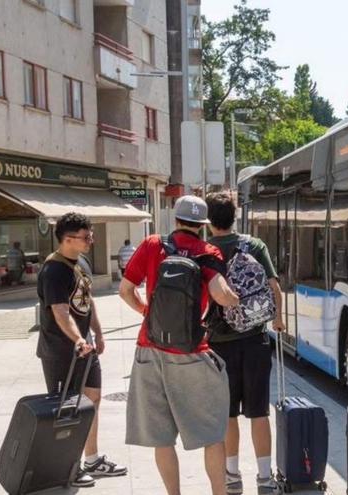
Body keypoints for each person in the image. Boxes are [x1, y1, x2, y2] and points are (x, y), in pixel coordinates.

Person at [118, 195, 240, 495]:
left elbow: (125, 290)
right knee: (212, 433)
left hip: (149, 347)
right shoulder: (207, 252)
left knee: (161, 438)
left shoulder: (152, 244)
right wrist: (235, 298)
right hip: (190, 352)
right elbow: (221, 295)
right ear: (203, 224)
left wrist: (147, 313)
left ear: (175, 219)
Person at [36, 212, 127, 488]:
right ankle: (68, 467)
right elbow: (60, 312)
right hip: (61, 351)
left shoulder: (81, 262)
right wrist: (78, 339)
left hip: (85, 348)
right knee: (67, 410)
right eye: (86, 237)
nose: (91, 241)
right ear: (67, 239)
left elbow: (88, 301)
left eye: (91, 235)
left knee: (92, 400)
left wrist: (97, 332)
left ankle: (92, 460)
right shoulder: (53, 271)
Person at [205, 191, 285, 495]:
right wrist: (278, 320)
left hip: (219, 343)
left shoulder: (205, 251)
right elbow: (274, 287)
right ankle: (265, 478)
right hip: (255, 340)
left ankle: (232, 475)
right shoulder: (254, 245)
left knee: (228, 414)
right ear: (235, 215)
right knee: (259, 412)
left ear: (209, 220)